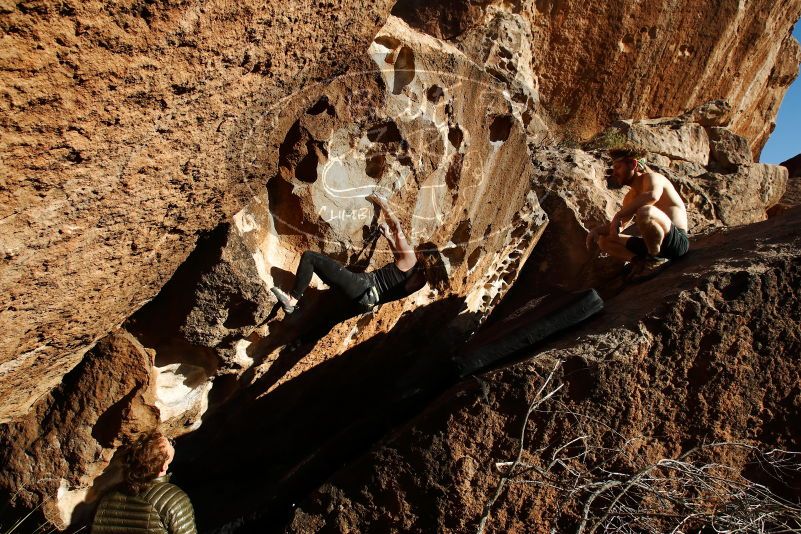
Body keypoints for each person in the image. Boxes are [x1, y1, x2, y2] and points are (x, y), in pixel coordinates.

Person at [270, 193, 427, 314]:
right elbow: (399, 258)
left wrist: (383, 203)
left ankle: (292, 300)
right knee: (327, 307)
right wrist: (387, 237)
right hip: (364, 304)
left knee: (310, 258)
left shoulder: (411, 258)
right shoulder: (419, 280)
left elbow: (397, 227)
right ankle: (297, 343)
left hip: (362, 287)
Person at [586, 146, 690, 277]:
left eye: (618, 167)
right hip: (650, 244)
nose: (614, 173)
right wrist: (596, 231)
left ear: (633, 164)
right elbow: (619, 227)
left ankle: (655, 260)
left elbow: (652, 196)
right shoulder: (630, 197)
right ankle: (640, 262)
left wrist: (619, 214)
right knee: (604, 240)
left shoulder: (652, 178)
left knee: (645, 211)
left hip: (675, 242)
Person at [91, 431, 197, 534]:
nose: (171, 442)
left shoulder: (108, 498)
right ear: (164, 466)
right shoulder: (172, 498)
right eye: (169, 442)